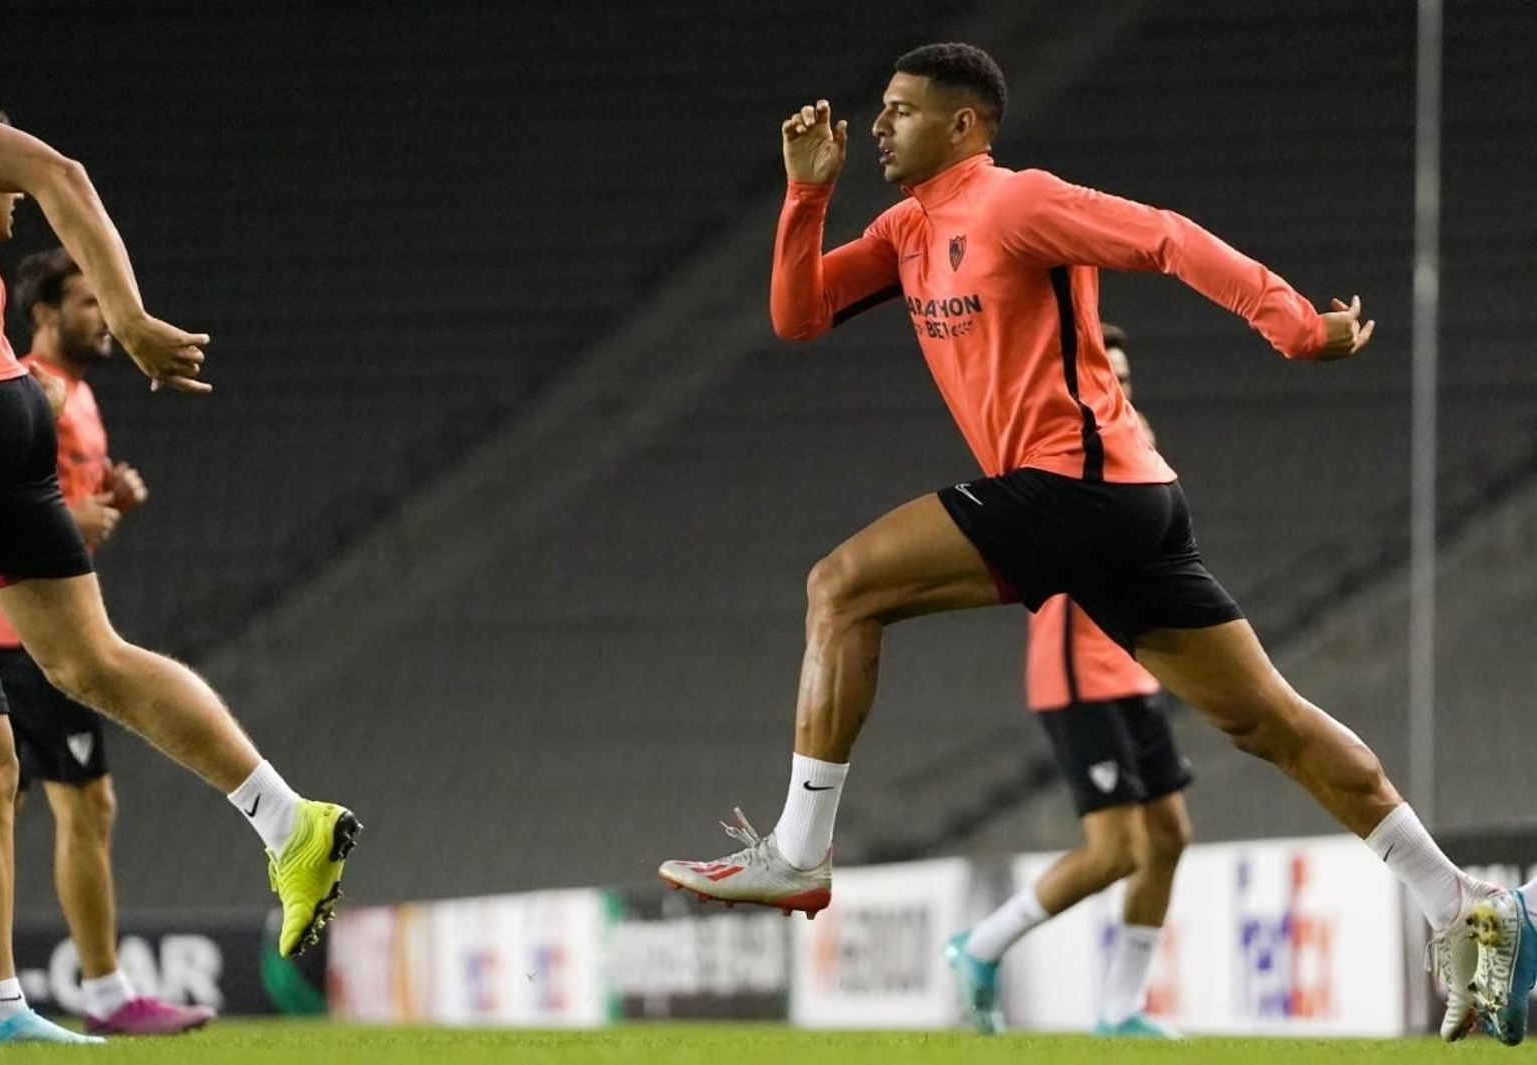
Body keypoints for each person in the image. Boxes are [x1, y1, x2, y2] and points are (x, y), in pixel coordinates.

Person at [656, 42, 1535, 1046]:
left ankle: (799, 851)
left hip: (1076, 487)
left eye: (902, 111)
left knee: (840, 587)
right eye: (883, 110)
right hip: (1123, 505)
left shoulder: (1013, 201)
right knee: (1268, 724)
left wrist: (1290, 322)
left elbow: (1160, 236)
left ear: (965, 124)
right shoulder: (907, 227)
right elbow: (798, 312)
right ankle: (1462, 900)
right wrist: (804, 198)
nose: (881, 127)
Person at [0, 95, 359, 1045]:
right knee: (80, 667)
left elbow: (61, 174)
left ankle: (80, 985)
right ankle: (288, 820)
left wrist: (125, 316)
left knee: (12, 777)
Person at [0, 238, 215, 1035]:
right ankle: (106, 991)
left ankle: (76, 993)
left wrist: (105, 507)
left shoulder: (78, 398)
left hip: (13, 631)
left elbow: (54, 514)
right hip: (20, 637)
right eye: (88, 302)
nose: (102, 316)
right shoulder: (25, 391)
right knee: (79, 804)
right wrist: (72, 517)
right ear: (45, 313)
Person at [944, 325, 1187, 1039]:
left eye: (1126, 375)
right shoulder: (1064, 445)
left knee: (1170, 833)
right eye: (1106, 374)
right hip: (1078, 669)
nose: (1121, 387)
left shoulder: (1131, 435)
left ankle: (1120, 1010)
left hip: (1133, 664)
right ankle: (980, 945)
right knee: (1118, 850)